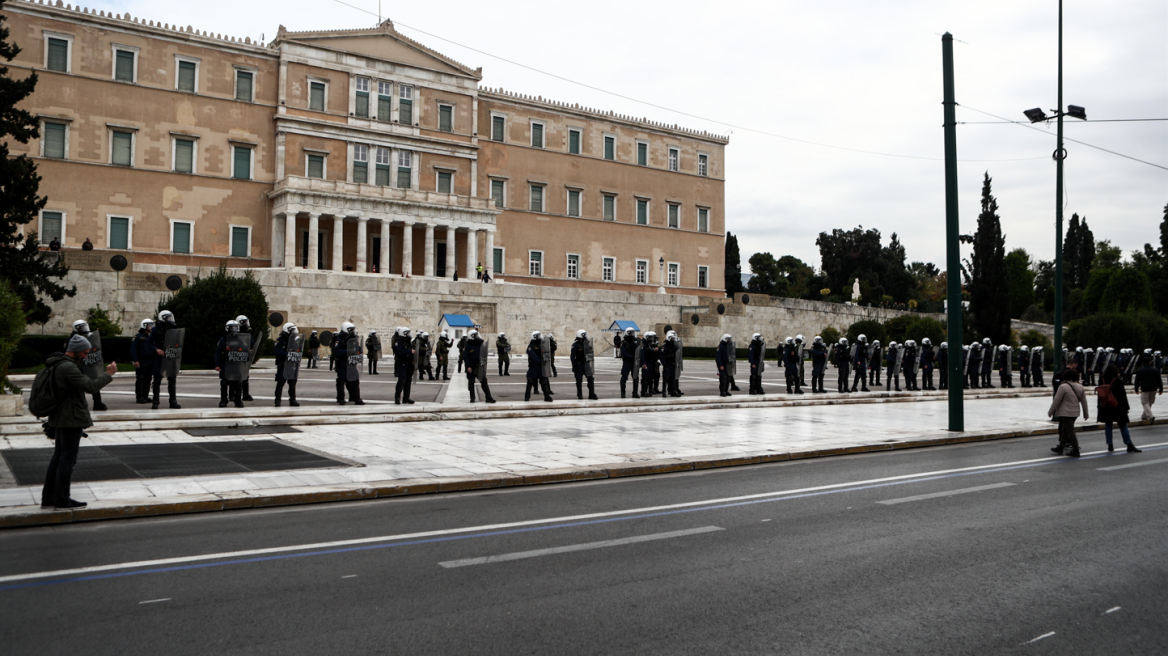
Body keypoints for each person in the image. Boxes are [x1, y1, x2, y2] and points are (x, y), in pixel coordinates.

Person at [39, 335, 117, 510]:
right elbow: (90, 386)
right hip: (70, 418)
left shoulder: (57, 364)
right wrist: (108, 374)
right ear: (76, 350)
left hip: (61, 417)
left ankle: (49, 498)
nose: (86, 356)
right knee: (67, 460)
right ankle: (61, 499)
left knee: (58, 457)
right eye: (84, 353)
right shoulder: (68, 367)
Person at [1097, 364, 1141, 453]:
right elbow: (1123, 395)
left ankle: (1110, 445)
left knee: (1108, 425)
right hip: (1118, 406)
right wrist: (1126, 407)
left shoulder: (1101, 380)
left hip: (1105, 406)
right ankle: (1129, 444)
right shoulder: (1117, 381)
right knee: (1123, 425)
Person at [65, 320, 107, 411]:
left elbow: (95, 348)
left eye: (85, 326)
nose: (84, 329)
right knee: (78, 384)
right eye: (82, 327)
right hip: (78, 364)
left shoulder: (90, 337)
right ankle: (80, 403)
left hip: (89, 362)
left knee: (94, 379)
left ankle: (97, 402)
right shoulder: (71, 340)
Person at [1048, 369, 1088, 458]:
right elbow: (1084, 402)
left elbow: (1057, 400)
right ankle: (1060, 447)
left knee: (1070, 430)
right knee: (1065, 429)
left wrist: (1051, 411)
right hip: (1075, 412)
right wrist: (1086, 413)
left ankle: (1075, 449)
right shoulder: (1080, 387)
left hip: (1065, 412)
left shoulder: (1063, 386)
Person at [148, 310, 181, 409]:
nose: (170, 319)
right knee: (157, 380)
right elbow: (148, 343)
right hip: (159, 357)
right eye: (168, 317)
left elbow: (178, 342)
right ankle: (155, 402)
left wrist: (174, 348)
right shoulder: (155, 330)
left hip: (170, 356)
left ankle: (173, 401)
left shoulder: (173, 329)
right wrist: (156, 349)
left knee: (172, 379)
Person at [214, 319, 246, 408]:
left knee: (238, 383)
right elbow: (218, 353)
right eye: (232, 328)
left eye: (235, 328)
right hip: (226, 364)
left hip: (236, 364)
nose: (234, 330)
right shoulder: (223, 340)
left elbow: (244, 350)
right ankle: (223, 400)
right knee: (224, 382)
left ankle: (238, 400)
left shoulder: (239, 340)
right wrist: (217, 365)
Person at [333, 322, 364, 405]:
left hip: (351, 363)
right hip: (342, 364)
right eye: (351, 330)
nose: (352, 331)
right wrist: (348, 351)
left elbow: (358, 348)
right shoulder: (339, 339)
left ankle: (356, 398)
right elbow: (337, 352)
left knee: (355, 381)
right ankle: (340, 398)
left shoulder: (353, 338)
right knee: (341, 381)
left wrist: (359, 351)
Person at [464, 329, 496, 403]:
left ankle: (488, 397)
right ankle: (472, 398)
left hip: (479, 367)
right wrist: (468, 366)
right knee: (471, 383)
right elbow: (466, 357)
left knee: (484, 382)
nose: (477, 336)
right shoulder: (468, 346)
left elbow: (484, 354)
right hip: (471, 367)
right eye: (475, 335)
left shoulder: (480, 344)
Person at [273, 323, 300, 407]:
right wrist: (286, 353)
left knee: (292, 382)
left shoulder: (294, 341)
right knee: (280, 382)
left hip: (291, 364)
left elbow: (297, 349)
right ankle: (277, 400)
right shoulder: (280, 340)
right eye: (292, 330)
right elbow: (276, 350)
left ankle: (292, 400)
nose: (293, 332)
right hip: (283, 364)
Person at [130, 319, 156, 404]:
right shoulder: (137, 337)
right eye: (149, 325)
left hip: (151, 360)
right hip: (141, 360)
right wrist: (135, 360)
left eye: (152, 325)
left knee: (148, 378)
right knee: (141, 378)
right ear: (144, 326)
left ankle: (145, 396)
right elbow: (133, 349)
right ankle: (140, 397)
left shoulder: (151, 337)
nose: (151, 327)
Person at [570, 329, 599, 400]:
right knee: (579, 380)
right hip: (579, 364)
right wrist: (574, 365)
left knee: (590, 378)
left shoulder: (587, 344)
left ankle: (591, 394)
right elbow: (572, 356)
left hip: (586, 363)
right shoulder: (575, 345)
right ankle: (579, 394)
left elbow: (590, 353)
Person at [1134, 354, 1163, 422]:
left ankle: (1150, 416)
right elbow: (1159, 380)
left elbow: (1137, 380)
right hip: (1154, 388)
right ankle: (1144, 415)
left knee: (1144, 402)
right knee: (1150, 402)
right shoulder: (1155, 370)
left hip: (1145, 388)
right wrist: (1161, 389)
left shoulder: (1140, 370)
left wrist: (1136, 388)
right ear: (1150, 362)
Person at [525, 331, 553, 402]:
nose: (540, 337)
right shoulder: (531, 346)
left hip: (541, 366)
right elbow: (532, 355)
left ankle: (547, 396)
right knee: (530, 381)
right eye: (538, 336)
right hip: (534, 366)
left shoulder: (542, 344)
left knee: (544, 381)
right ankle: (527, 397)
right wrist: (541, 361)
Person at [235, 315, 256, 402]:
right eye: (244, 322)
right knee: (234, 376)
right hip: (236, 357)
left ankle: (245, 394)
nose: (246, 324)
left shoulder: (248, 334)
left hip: (244, 357)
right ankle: (232, 394)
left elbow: (252, 343)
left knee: (245, 376)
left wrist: (251, 349)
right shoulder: (235, 333)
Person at [393, 327, 415, 405]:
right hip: (402, 364)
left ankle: (406, 397)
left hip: (409, 364)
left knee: (408, 381)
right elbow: (400, 351)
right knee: (402, 380)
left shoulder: (409, 342)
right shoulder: (398, 342)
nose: (409, 334)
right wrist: (410, 351)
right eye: (408, 333)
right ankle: (397, 397)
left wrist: (413, 359)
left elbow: (412, 351)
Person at [619, 326, 640, 399]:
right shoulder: (624, 343)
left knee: (635, 377)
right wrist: (632, 357)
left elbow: (638, 351)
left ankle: (635, 393)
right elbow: (623, 353)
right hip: (627, 362)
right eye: (630, 333)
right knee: (624, 377)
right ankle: (623, 393)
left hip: (634, 362)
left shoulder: (635, 343)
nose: (631, 334)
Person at [661, 332, 680, 398]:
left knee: (673, 379)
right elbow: (662, 357)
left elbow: (677, 355)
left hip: (673, 365)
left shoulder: (675, 347)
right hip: (667, 365)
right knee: (665, 379)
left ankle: (673, 391)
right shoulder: (664, 347)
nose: (673, 340)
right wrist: (664, 365)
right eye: (672, 338)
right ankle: (664, 392)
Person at [640, 331, 659, 397]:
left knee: (649, 377)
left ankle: (648, 390)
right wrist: (644, 363)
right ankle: (643, 391)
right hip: (646, 362)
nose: (651, 339)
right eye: (650, 337)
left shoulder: (649, 344)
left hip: (650, 362)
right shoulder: (643, 345)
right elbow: (642, 355)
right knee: (645, 377)